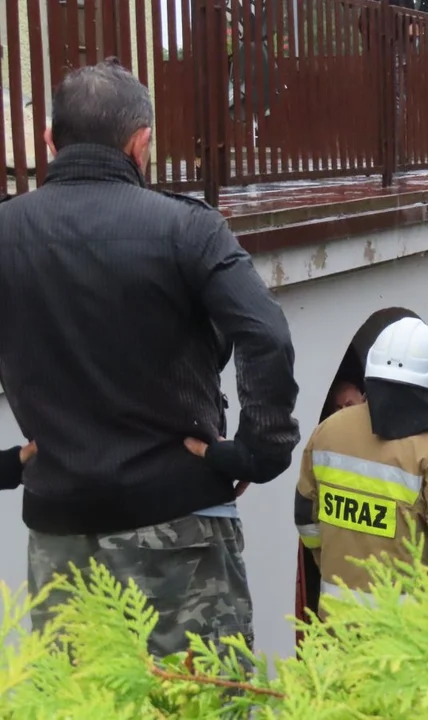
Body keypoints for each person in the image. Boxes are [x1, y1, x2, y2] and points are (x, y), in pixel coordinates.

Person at [0, 59, 300, 658]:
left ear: (50, 140)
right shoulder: (189, 230)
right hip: (178, 526)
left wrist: (7, 465)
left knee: (85, 700)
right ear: (141, 144)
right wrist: (257, 451)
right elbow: (266, 334)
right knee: (197, 696)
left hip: (58, 531)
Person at [295, 317, 428, 610]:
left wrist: (335, 567)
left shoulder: (327, 432)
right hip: (412, 638)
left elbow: (306, 520)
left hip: (338, 626)